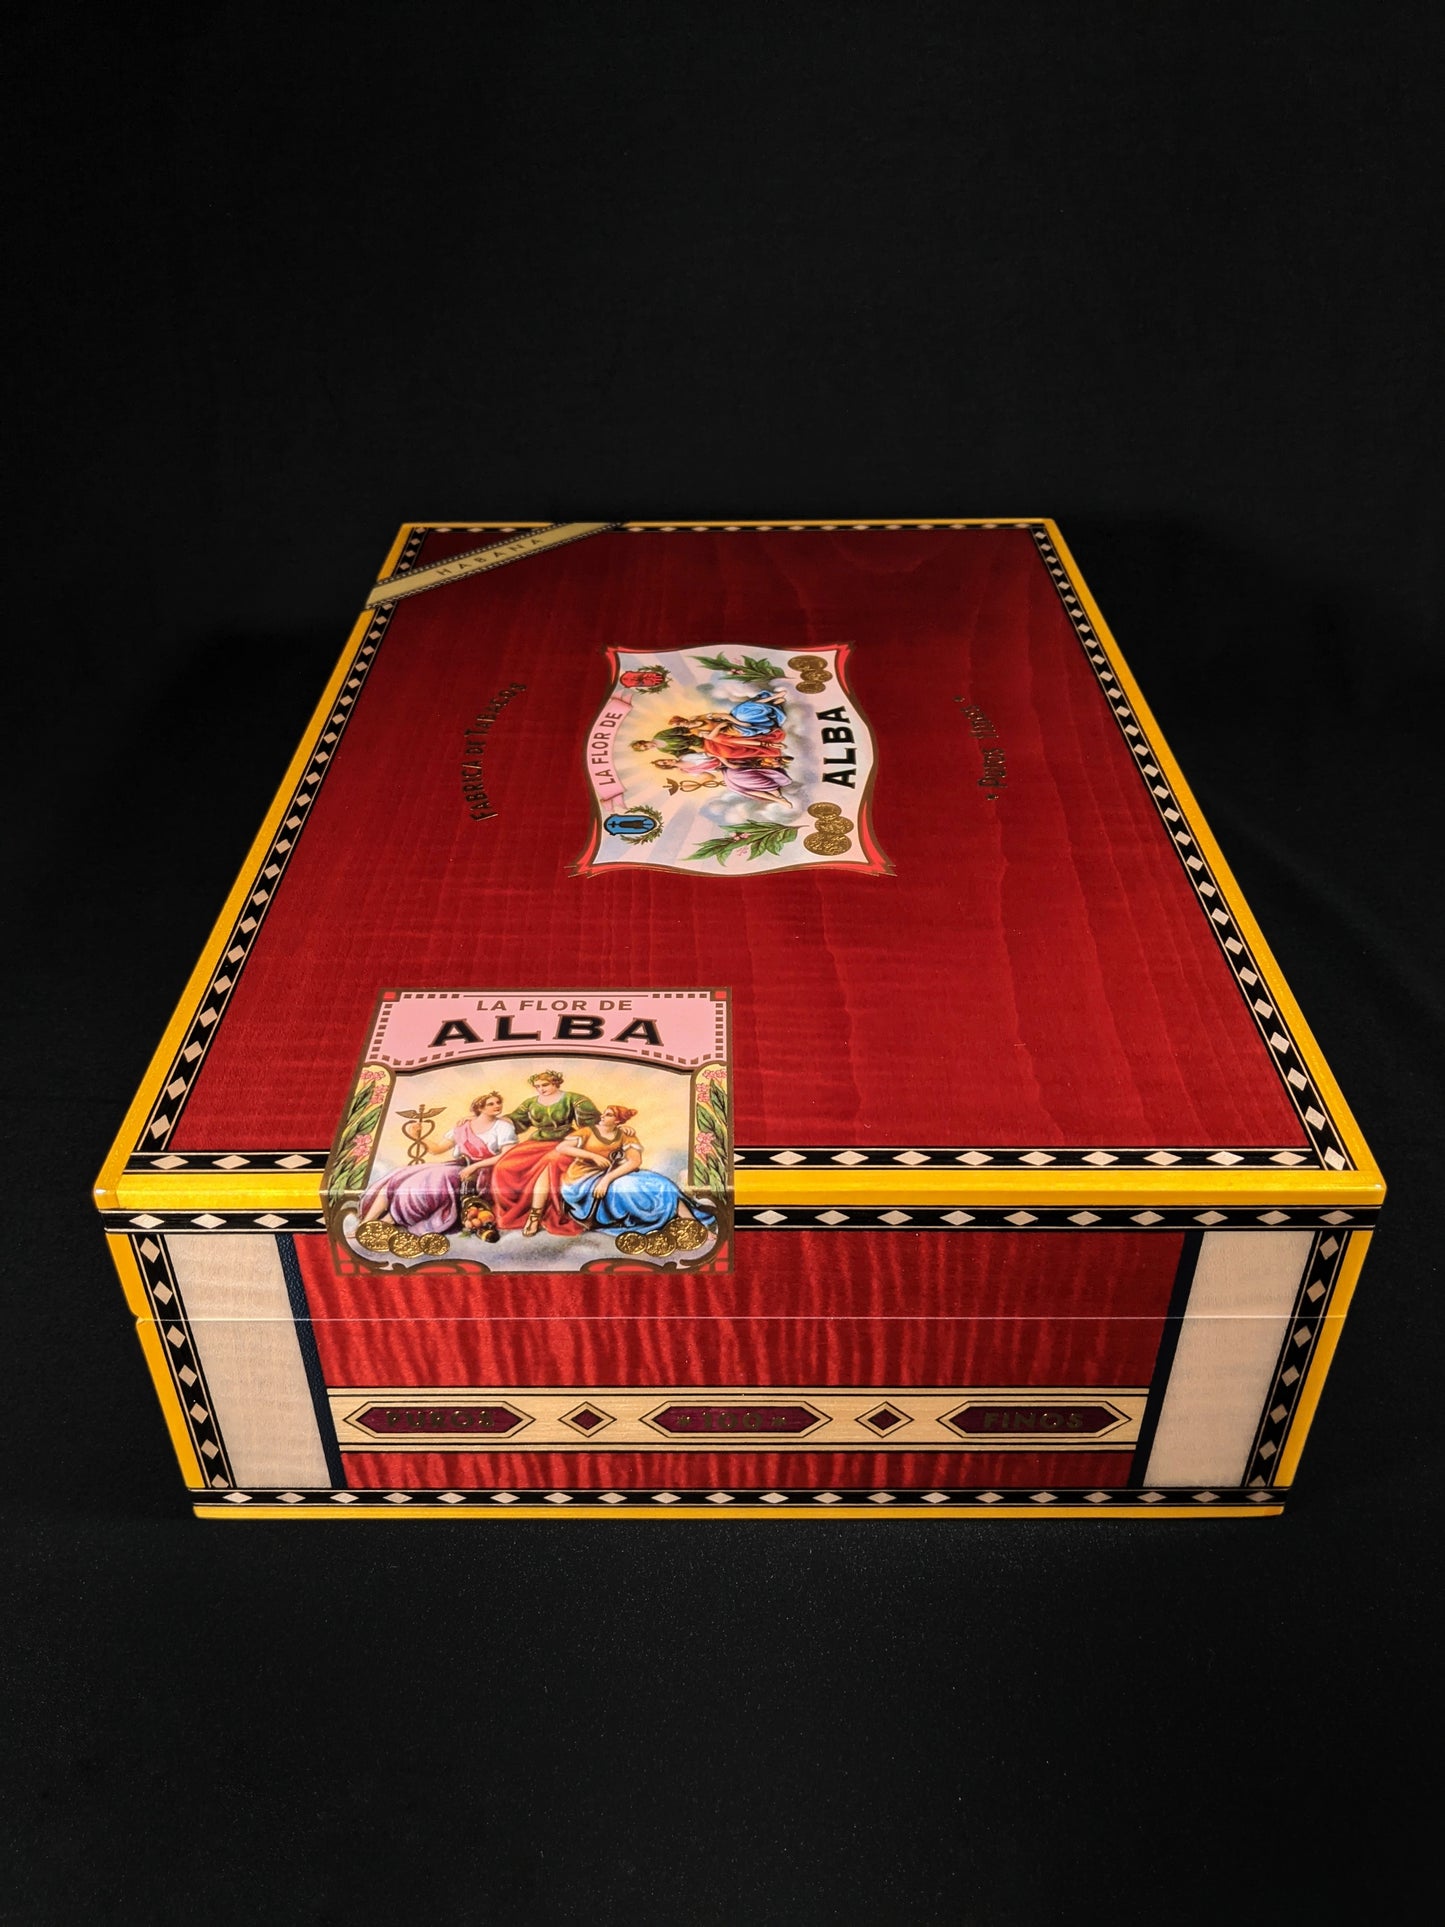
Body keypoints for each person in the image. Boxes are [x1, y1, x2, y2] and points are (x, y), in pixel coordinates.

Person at [356, 1091, 516, 1236]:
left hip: (486, 1171)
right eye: (491, 1104)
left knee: (438, 1178)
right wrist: (418, 1137)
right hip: (462, 1165)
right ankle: (366, 1223)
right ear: (480, 1108)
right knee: (402, 1174)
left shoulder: (503, 1126)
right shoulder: (463, 1127)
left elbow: (506, 1155)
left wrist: (474, 1166)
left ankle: (390, 1221)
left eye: (498, 1102)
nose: (497, 1106)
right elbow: (438, 1149)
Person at [558, 1104, 715, 1240]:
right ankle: (673, 1221)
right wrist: (592, 1156)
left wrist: (606, 1180)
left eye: (609, 1115)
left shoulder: (625, 1135)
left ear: (618, 1121)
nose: (602, 1116)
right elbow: (562, 1148)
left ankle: (694, 1225)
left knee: (662, 1184)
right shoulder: (587, 1132)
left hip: (611, 1175)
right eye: (604, 1113)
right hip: (582, 1180)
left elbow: (635, 1161)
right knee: (626, 1186)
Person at [491, 1070, 601, 1236]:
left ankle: (535, 1216)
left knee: (551, 1162)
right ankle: (515, 1214)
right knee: (503, 1166)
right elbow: (515, 1120)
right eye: (537, 1086)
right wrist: (481, 1118)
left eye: (545, 1085)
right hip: (538, 1142)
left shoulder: (574, 1099)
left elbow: (594, 1125)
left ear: (555, 1083)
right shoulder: (531, 1103)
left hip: (566, 1143)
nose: (541, 1089)